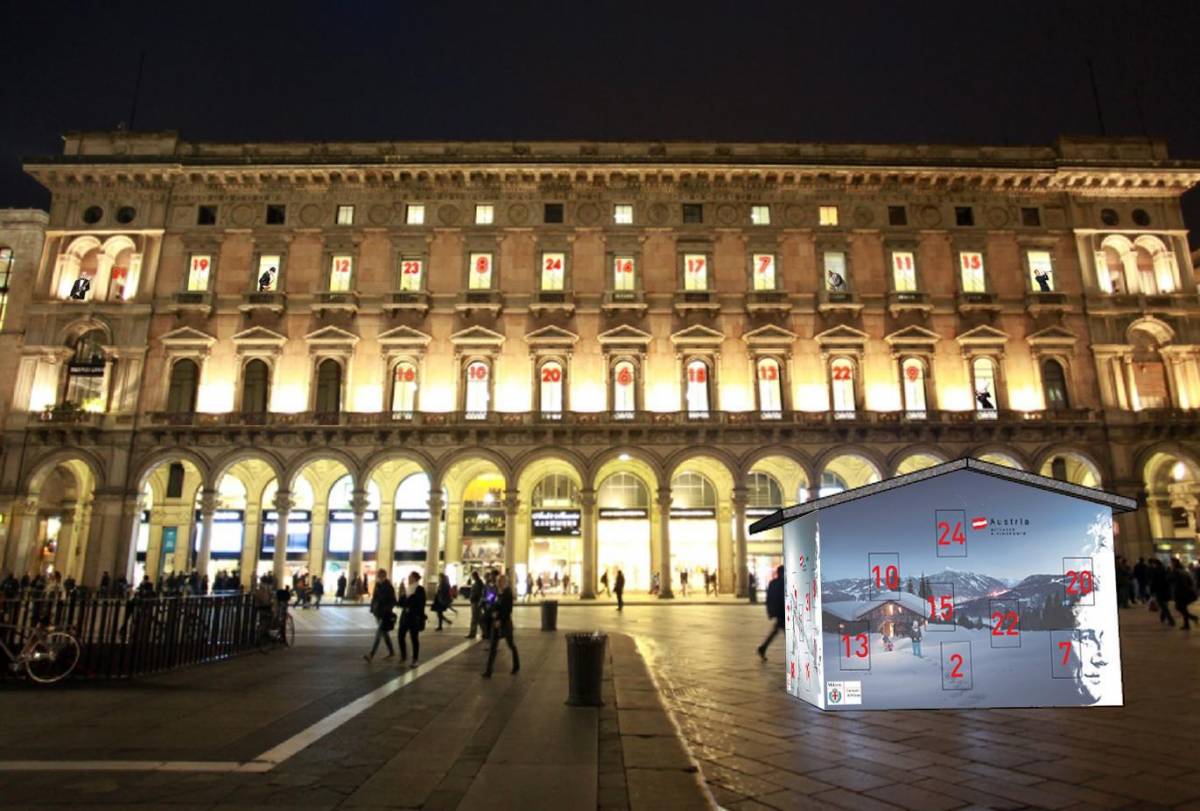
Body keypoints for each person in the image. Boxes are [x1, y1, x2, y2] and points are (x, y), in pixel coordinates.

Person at [482, 574, 520, 678]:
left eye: (500, 581)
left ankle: (516, 665)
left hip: (505, 623)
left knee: (511, 644)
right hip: (496, 623)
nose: (498, 583)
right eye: (497, 581)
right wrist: (492, 610)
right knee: (493, 647)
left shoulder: (507, 593)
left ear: (505, 582)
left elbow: (507, 610)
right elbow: (492, 603)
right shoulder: (497, 592)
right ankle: (488, 671)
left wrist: (499, 617)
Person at [364, 570, 397, 662]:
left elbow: (393, 601)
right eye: (378, 576)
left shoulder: (389, 587)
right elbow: (374, 598)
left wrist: (386, 609)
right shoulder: (377, 585)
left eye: (379, 576)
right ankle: (391, 652)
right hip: (377, 613)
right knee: (384, 634)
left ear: (384, 576)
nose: (378, 578)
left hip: (385, 614)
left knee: (379, 634)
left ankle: (371, 654)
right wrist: (372, 609)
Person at [756, 565, 785, 660]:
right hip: (783, 612)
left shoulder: (773, 583)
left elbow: (768, 599)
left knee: (776, 631)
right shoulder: (782, 583)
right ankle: (762, 648)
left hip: (778, 612)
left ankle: (763, 648)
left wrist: (769, 611)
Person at [398, 572, 426, 666]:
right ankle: (403, 656)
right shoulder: (407, 589)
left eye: (410, 577)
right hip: (405, 616)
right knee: (400, 635)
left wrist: (408, 602)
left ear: (414, 578)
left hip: (414, 617)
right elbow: (401, 603)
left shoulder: (420, 589)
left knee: (414, 638)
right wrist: (402, 596)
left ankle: (415, 659)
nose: (408, 579)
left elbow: (420, 604)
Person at [1170, 557, 1197, 631]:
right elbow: (1190, 582)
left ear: (1174, 563)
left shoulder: (1176, 571)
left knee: (1179, 607)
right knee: (1183, 608)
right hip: (1185, 592)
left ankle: (1193, 618)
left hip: (1180, 592)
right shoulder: (1184, 571)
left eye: (1172, 562)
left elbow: (1172, 580)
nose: (1171, 564)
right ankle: (1187, 624)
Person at [1150, 558, 1175, 626]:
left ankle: (1171, 620)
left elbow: (1154, 581)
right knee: (1164, 604)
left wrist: (1152, 590)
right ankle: (1162, 617)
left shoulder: (1156, 570)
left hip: (1160, 590)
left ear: (1155, 564)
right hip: (1166, 590)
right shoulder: (1165, 569)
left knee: (1162, 605)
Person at [466, 571, 484, 639]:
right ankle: (485, 631)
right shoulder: (478, 583)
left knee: (474, 618)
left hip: (476, 602)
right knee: (479, 618)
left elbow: (478, 593)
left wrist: (474, 598)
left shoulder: (479, 583)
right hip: (475, 602)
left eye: (473, 576)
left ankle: (472, 633)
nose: (472, 577)